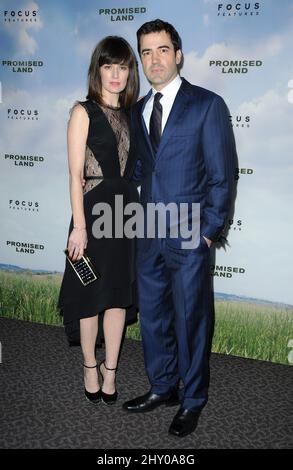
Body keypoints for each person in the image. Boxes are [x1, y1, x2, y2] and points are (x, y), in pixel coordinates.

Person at [122, 19, 236, 436]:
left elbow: (223, 176)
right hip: (147, 229)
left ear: (179, 54)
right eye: (146, 52)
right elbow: (140, 166)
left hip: (190, 233)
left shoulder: (207, 105)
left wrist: (207, 233)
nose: (154, 60)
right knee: (152, 316)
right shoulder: (137, 110)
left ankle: (193, 399)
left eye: (162, 50)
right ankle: (163, 386)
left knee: (191, 319)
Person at [58, 36, 140, 406]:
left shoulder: (133, 115)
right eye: (109, 66)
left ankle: (111, 370)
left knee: (118, 298)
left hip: (126, 213)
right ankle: (90, 366)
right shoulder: (82, 111)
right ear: (98, 70)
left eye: (122, 67)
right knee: (91, 296)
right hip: (91, 212)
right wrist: (79, 226)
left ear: (129, 72)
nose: (115, 74)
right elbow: (75, 175)